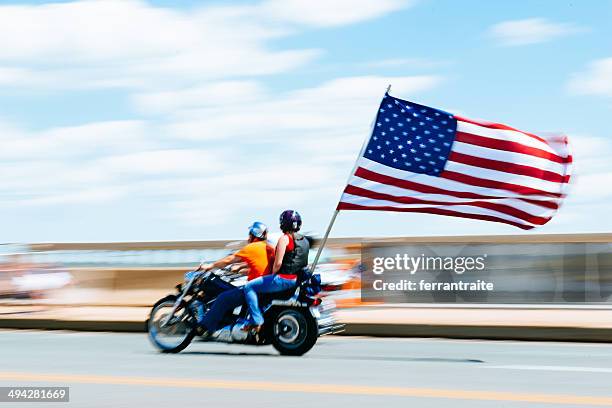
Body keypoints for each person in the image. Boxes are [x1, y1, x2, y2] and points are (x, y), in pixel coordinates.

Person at [195, 221, 274, 332]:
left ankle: (204, 327)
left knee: (223, 298)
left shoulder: (251, 248)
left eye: (250, 234)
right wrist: (242, 269)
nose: (248, 237)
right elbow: (261, 268)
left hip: (256, 289)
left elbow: (229, 260)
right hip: (266, 286)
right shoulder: (269, 248)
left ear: (253, 234)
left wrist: (211, 265)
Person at [242, 210, 310, 331]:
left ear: (283, 223)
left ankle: (256, 321)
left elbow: (278, 263)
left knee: (249, 287)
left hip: (283, 279)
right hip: (296, 279)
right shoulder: (305, 240)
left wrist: (272, 275)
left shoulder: (285, 239)